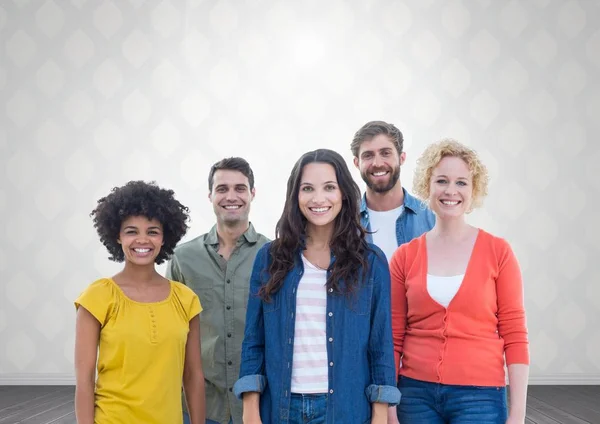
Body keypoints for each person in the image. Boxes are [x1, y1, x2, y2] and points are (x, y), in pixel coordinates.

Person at [234, 149, 400, 423]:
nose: (318, 198)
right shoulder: (270, 258)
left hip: (346, 409)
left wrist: (380, 414)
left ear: (343, 193)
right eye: (307, 188)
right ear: (295, 195)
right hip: (281, 408)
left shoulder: (370, 263)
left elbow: (380, 346)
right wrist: (250, 411)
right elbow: (254, 340)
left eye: (329, 188)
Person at [390, 139, 530, 423]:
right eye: (441, 181)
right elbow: (393, 337)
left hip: (480, 397)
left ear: (473, 189)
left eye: (461, 183)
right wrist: (390, 407)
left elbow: (514, 334)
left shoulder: (498, 252)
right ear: (427, 186)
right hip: (415, 395)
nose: (451, 191)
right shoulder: (404, 256)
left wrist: (517, 414)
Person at [74, 181, 205, 424]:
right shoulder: (98, 297)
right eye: (131, 231)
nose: (142, 240)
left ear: (164, 237)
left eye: (152, 231)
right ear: (117, 235)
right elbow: (84, 379)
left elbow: (193, 375)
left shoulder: (186, 300)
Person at [166, 157, 269, 424]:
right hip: (199, 407)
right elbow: (171, 333)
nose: (231, 196)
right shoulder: (183, 258)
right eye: (222, 189)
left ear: (252, 194)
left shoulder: (276, 256)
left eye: (240, 188)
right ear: (210, 195)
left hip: (260, 406)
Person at [351, 120, 435, 263]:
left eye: (385, 153)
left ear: (401, 158)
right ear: (357, 163)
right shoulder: (346, 222)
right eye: (368, 155)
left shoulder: (431, 218)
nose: (377, 163)